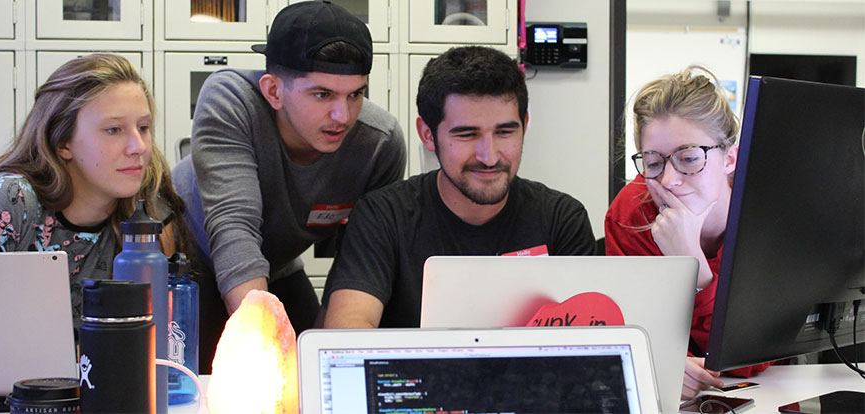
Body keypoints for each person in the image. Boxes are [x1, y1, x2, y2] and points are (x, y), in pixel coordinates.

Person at [172, 0, 406, 334]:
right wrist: (265, 342)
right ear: (273, 90)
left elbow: (361, 261)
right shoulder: (231, 100)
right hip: (186, 258)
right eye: (322, 95)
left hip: (275, 265)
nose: (343, 116)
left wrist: (327, 350)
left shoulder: (379, 143)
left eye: (355, 95)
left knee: (308, 359)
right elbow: (234, 226)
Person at [321, 45, 596, 329]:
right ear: (428, 135)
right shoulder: (383, 216)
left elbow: (590, 345)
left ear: (525, 125)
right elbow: (346, 332)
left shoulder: (561, 219)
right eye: (467, 134)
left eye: (505, 132)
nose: (489, 157)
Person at [0, 53, 193, 332]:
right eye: (114, 129)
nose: (139, 147)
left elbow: (154, 340)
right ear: (63, 142)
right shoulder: (0, 204)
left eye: (143, 128)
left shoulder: (149, 217)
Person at [605, 66, 772, 400]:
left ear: (730, 159)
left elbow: (749, 358)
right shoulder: (631, 214)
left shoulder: (763, 215)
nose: (668, 180)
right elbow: (629, 331)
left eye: (689, 158)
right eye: (653, 163)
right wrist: (662, 361)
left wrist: (692, 264)